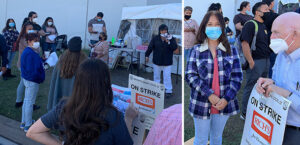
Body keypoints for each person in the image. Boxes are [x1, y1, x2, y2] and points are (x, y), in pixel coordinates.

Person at [26, 59, 134, 145]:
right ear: (105, 83)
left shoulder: (64, 106)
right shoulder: (113, 116)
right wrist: (128, 119)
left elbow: (33, 132)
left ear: (78, 82)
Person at [185, 11, 243, 145]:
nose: (213, 27)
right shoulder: (196, 50)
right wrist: (210, 94)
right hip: (201, 101)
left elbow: (237, 77)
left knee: (216, 138)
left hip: (224, 103)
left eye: (217, 24)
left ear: (222, 27)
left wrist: (226, 98)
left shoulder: (231, 50)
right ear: (204, 27)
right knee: (201, 139)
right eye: (210, 24)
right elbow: (190, 75)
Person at [256, 12, 300, 145]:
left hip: (295, 130)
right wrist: (270, 83)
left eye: (276, 33)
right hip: (276, 122)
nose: (271, 36)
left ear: (295, 34)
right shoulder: (282, 54)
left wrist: (283, 93)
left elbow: (283, 90)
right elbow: (278, 82)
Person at [240, 2, 272, 120]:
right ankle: (244, 113)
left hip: (266, 61)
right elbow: (245, 43)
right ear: (257, 12)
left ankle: (256, 109)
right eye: (266, 9)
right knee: (251, 86)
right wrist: (251, 62)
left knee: (262, 87)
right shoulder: (250, 24)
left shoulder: (264, 26)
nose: (268, 12)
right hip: (256, 62)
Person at [47, 36, 87, 111]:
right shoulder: (85, 62)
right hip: (76, 104)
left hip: (61, 103)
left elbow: (54, 84)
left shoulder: (61, 60)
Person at [20, 33, 45, 132]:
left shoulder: (29, 51)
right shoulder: (30, 53)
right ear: (29, 42)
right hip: (32, 80)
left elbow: (34, 64)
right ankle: (28, 125)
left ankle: (24, 122)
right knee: (29, 102)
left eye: (38, 41)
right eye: (35, 41)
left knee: (26, 101)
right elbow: (32, 71)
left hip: (28, 79)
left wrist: (41, 61)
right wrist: (40, 77)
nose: (37, 43)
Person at [145, 24, 177, 98]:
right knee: (156, 76)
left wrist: (168, 41)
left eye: (165, 30)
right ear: (159, 31)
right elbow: (150, 47)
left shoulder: (171, 38)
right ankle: (157, 89)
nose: (164, 31)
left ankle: (168, 90)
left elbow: (174, 47)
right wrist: (147, 55)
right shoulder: (155, 38)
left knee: (167, 76)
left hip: (167, 61)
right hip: (157, 60)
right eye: (162, 30)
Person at [15, 23, 40, 110]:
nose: (31, 30)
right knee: (26, 84)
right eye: (29, 29)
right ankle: (28, 103)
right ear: (24, 30)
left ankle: (19, 101)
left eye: (32, 29)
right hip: (24, 65)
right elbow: (35, 49)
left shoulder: (30, 38)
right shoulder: (24, 39)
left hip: (26, 64)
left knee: (23, 83)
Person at [262, 0, 279, 77]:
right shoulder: (275, 16)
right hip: (272, 44)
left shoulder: (258, 15)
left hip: (260, 45)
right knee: (272, 65)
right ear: (272, 3)